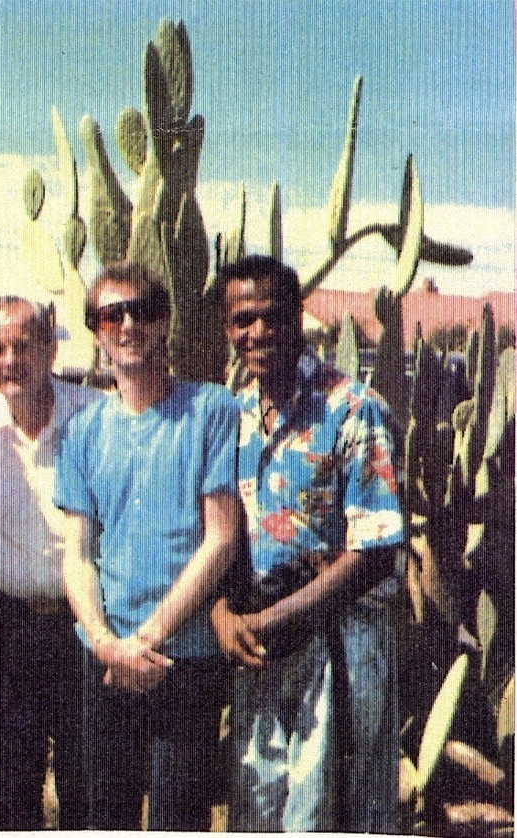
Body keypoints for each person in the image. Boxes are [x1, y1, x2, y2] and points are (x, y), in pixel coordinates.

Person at [211, 254, 404, 832]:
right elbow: (215, 538)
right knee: (263, 805)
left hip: (337, 644)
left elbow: (376, 548)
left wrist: (286, 615)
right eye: (244, 319)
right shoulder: (231, 417)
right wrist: (223, 615)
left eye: (272, 316)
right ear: (227, 328)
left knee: (334, 808)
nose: (259, 333)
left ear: (297, 318)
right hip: (258, 647)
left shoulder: (351, 408)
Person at [54, 262, 243, 831]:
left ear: (165, 324)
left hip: (183, 657)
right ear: (95, 329)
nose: (129, 324)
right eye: (113, 314)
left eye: (143, 311)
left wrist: (148, 637)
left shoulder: (211, 410)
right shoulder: (83, 431)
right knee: (99, 816)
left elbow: (222, 537)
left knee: (177, 819)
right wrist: (109, 643)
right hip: (105, 661)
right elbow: (79, 552)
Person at [0, 296, 98, 830]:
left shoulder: (93, 414)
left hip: (84, 624)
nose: (12, 360)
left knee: (87, 785)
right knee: (11, 787)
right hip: (7, 627)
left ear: (50, 349)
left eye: (24, 345)